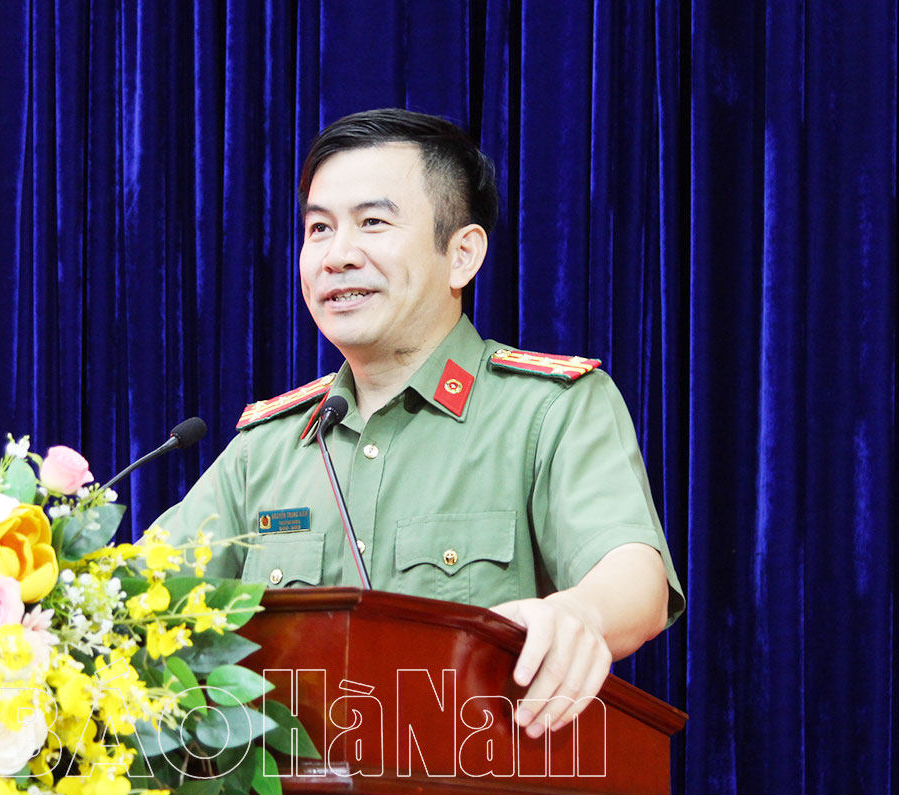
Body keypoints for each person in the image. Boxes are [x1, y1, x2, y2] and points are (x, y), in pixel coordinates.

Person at [153, 108, 684, 739]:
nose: (336, 256)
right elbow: (136, 599)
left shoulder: (548, 410)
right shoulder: (268, 445)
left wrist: (581, 614)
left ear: (462, 255)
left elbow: (636, 580)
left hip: (473, 766)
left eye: (372, 223)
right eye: (319, 229)